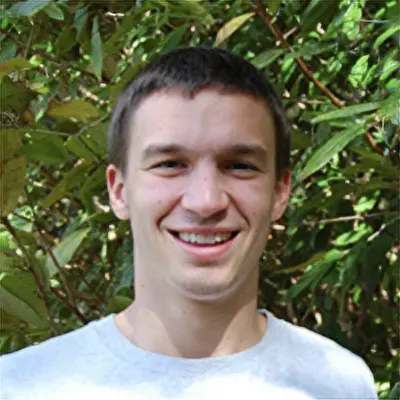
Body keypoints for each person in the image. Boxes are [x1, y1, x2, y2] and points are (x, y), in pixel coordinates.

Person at [0, 47, 377, 400]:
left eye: (239, 166)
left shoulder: (339, 383)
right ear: (119, 190)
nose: (206, 201)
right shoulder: (21, 387)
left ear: (280, 192)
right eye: (169, 164)